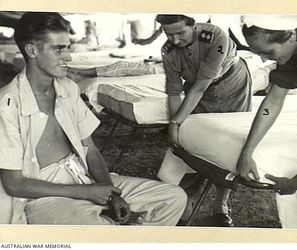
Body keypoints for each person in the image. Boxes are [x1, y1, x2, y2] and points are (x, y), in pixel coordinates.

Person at [0, 11, 187, 225]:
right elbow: (14, 184)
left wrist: (112, 193)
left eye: (68, 47)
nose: (68, 57)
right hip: (43, 194)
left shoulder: (68, 88)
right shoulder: (7, 103)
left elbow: (91, 151)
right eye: (59, 49)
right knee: (98, 227)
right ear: (32, 50)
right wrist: (86, 192)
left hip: (83, 176)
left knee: (172, 197)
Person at [155, 14, 252, 227]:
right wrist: (175, 126)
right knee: (191, 142)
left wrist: (175, 124)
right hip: (197, 90)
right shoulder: (168, 50)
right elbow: (173, 92)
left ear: (194, 26)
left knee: (228, 142)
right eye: (169, 34)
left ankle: (221, 205)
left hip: (232, 86)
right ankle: (185, 200)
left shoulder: (216, 36)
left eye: (181, 33)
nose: (175, 41)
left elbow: (200, 86)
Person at [237, 15, 297, 228]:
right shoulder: (294, 42)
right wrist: (247, 151)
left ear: (291, 36)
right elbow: (272, 101)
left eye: (268, 53)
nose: (265, 60)